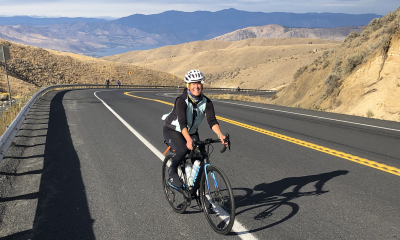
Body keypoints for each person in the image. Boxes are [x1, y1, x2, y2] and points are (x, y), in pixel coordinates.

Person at [162, 69, 228, 189]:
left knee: (200, 157)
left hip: (191, 132)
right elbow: (182, 123)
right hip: (173, 130)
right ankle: (172, 172)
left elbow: (212, 121)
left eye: (198, 83)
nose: (196, 86)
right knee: (182, 150)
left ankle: (200, 194)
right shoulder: (182, 101)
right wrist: (188, 140)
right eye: (193, 84)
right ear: (188, 85)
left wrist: (220, 135)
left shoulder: (206, 102)